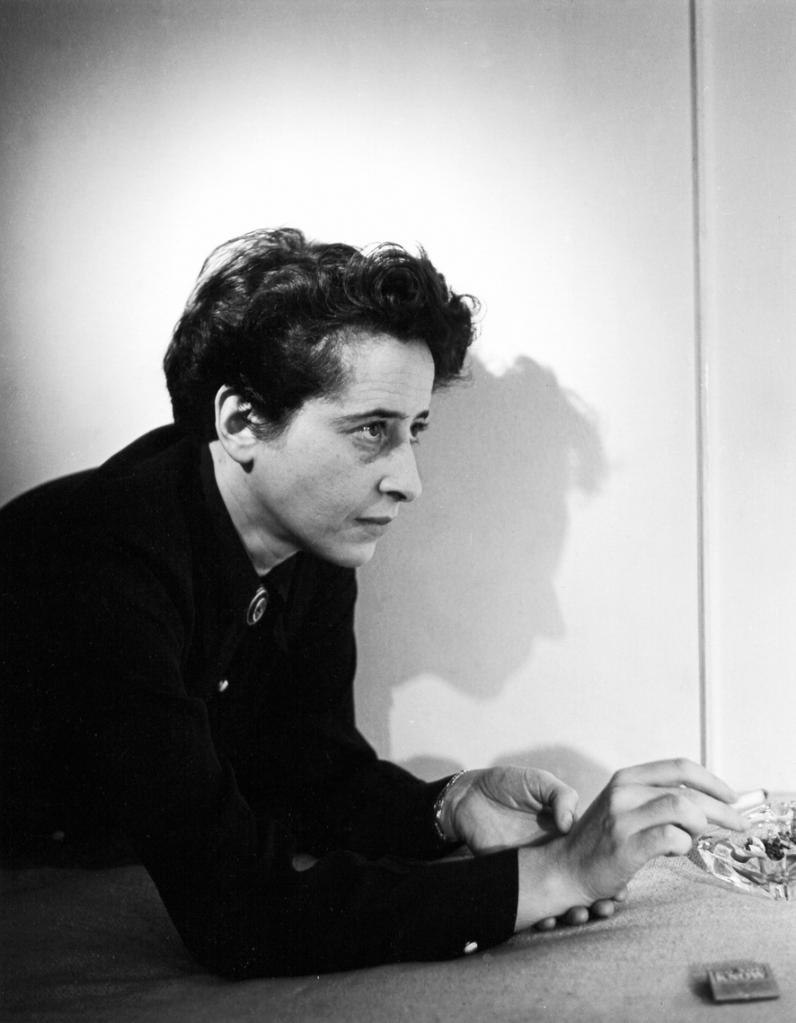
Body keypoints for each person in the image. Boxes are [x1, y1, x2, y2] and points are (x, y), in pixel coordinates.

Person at [0, 228, 747, 978]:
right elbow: (241, 916)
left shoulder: (312, 539)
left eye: (413, 431)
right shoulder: (105, 561)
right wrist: (556, 875)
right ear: (241, 421)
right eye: (371, 431)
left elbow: (312, 774)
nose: (408, 481)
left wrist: (450, 805)